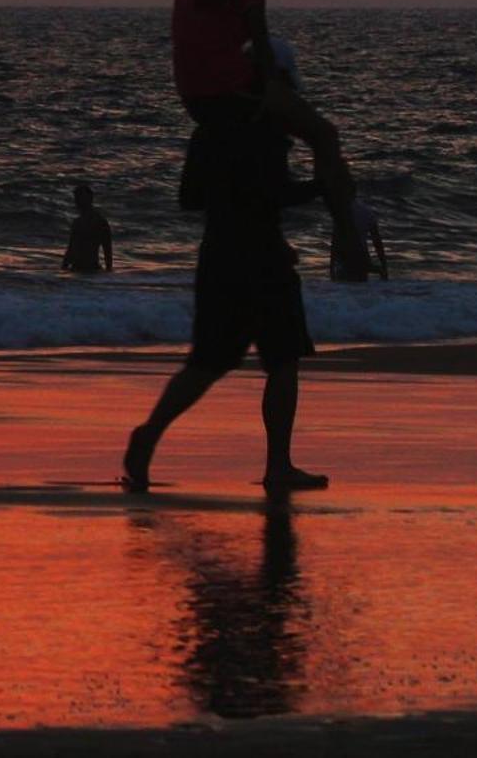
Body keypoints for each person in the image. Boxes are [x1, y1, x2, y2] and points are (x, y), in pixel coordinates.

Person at [123, 117, 329, 493]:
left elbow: (189, 197)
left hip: (218, 255)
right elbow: (273, 193)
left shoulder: (208, 131)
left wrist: (227, 193)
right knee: (283, 359)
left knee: (207, 362)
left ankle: (149, 434)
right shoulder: (266, 130)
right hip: (265, 258)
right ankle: (278, 465)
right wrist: (319, 187)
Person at [172, 0, 361, 262]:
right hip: (232, 94)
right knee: (325, 135)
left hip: (195, 98)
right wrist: (276, 91)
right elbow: (261, 43)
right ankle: (348, 234)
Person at [62, 182, 114, 273]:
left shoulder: (100, 222)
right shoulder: (77, 222)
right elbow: (71, 249)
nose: (77, 202)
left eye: (80, 199)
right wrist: (63, 268)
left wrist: (108, 271)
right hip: (76, 269)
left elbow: (107, 250)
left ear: (90, 199)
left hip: (92, 269)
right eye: (77, 199)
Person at [331, 200, 388, 282]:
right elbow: (377, 242)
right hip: (362, 258)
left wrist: (331, 268)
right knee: (361, 288)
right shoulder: (367, 212)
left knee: (344, 289)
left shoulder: (341, 212)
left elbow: (335, 241)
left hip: (345, 258)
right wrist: (384, 266)